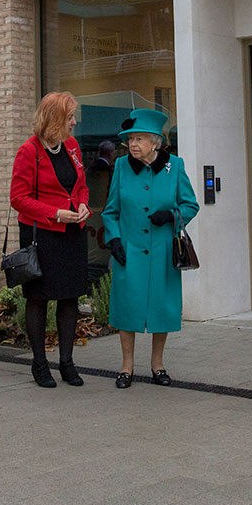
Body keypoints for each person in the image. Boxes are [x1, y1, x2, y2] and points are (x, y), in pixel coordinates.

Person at [103, 108, 198, 389]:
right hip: (129, 251)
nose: (133, 144)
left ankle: (158, 365)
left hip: (161, 252)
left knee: (161, 308)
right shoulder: (121, 167)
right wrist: (114, 239)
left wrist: (171, 216)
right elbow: (110, 211)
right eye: (131, 139)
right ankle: (126, 367)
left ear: (155, 142)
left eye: (140, 139)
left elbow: (191, 204)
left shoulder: (175, 167)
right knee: (127, 308)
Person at [9, 92, 90, 388]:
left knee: (70, 297)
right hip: (40, 234)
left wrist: (82, 205)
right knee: (39, 298)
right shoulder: (29, 151)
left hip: (71, 232)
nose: (74, 122)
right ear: (55, 119)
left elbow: (80, 185)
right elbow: (18, 198)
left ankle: (67, 363)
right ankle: (39, 364)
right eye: (70, 117)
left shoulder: (72, 146)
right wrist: (55, 213)